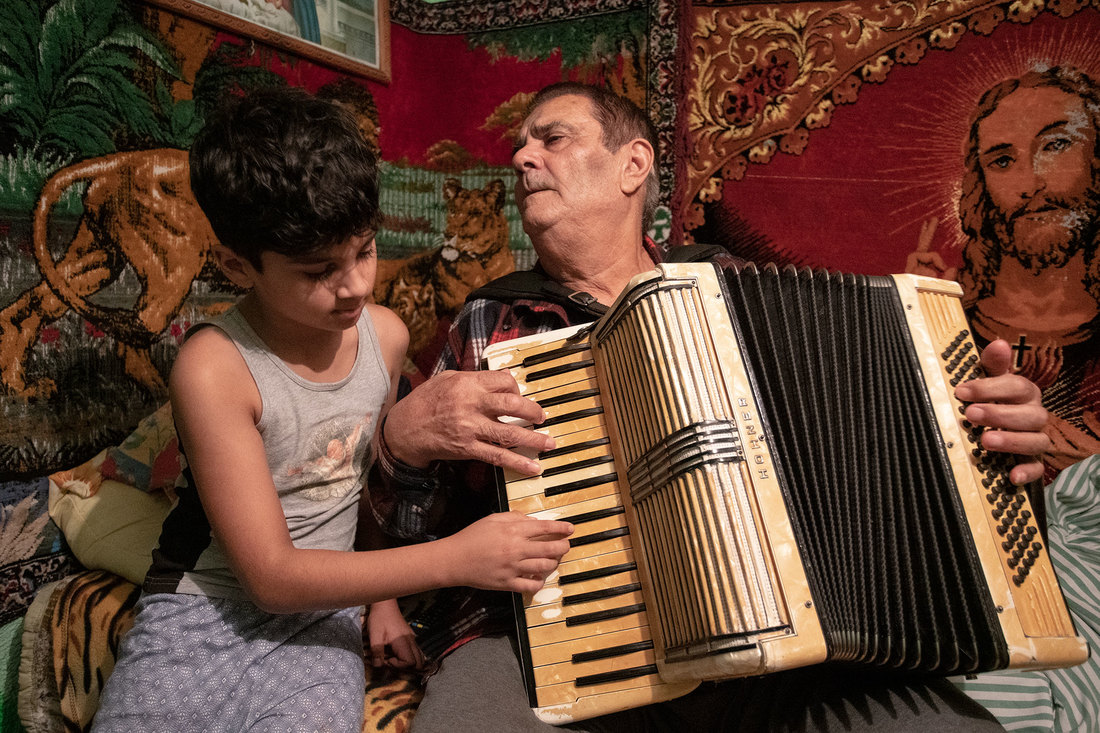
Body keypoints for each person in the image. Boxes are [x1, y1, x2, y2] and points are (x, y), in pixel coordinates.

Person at [374, 82, 1054, 732]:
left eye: (551, 138)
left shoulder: (738, 291)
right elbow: (419, 543)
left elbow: (913, 494)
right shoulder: (490, 321)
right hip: (549, 646)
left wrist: (996, 447)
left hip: (783, 652)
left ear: (632, 164)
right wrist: (400, 447)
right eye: (519, 147)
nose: (522, 158)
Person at [91, 86, 573, 733]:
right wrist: (458, 556)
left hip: (330, 613)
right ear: (238, 264)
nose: (354, 284)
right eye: (319, 269)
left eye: (365, 249)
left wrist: (383, 600)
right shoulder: (213, 366)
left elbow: (368, 482)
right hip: (204, 608)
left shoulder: (387, 335)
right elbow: (271, 577)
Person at [909, 65, 1100, 476]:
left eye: (1056, 145)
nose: (1029, 182)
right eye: (1002, 160)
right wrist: (915, 323)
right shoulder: (944, 320)